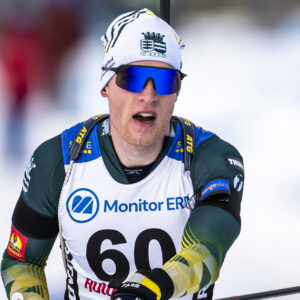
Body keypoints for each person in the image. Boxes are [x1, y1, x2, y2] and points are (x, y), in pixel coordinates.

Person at [1, 8, 244, 300]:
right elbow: (22, 261)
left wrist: (150, 290)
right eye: (133, 78)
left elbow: (207, 249)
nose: (149, 95)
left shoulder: (209, 156)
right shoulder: (60, 159)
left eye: (165, 80)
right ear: (105, 85)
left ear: (177, 92)